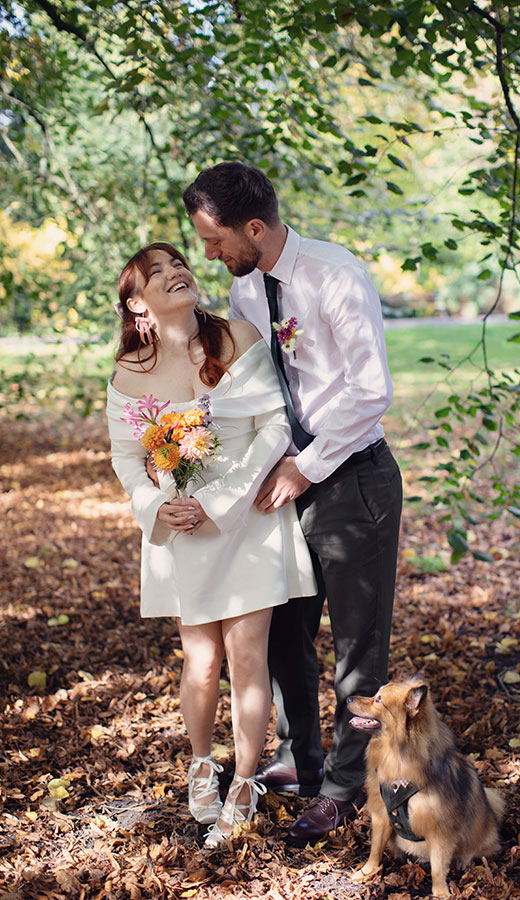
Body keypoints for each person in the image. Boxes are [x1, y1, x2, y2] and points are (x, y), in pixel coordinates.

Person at [181, 163, 403, 846]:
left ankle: (345, 786)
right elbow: (256, 386)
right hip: (280, 481)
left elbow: (371, 389)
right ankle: (301, 760)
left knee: (358, 649)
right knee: (282, 633)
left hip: (351, 480)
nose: (208, 254)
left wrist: (304, 469)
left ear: (254, 227)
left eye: (215, 239)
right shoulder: (246, 287)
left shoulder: (336, 276)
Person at [106, 241, 316, 848]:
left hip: (246, 518)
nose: (177, 272)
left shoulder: (237, 338)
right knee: (200, 663)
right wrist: (155, 505)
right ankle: (203, 764)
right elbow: (126, 458)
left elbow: (272, 425)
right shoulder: (128, 373)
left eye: (179, 263)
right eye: (157, 272)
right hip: (181, 528)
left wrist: (221, 501)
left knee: (248, 658)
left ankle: (245, 782)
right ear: (137, 304)